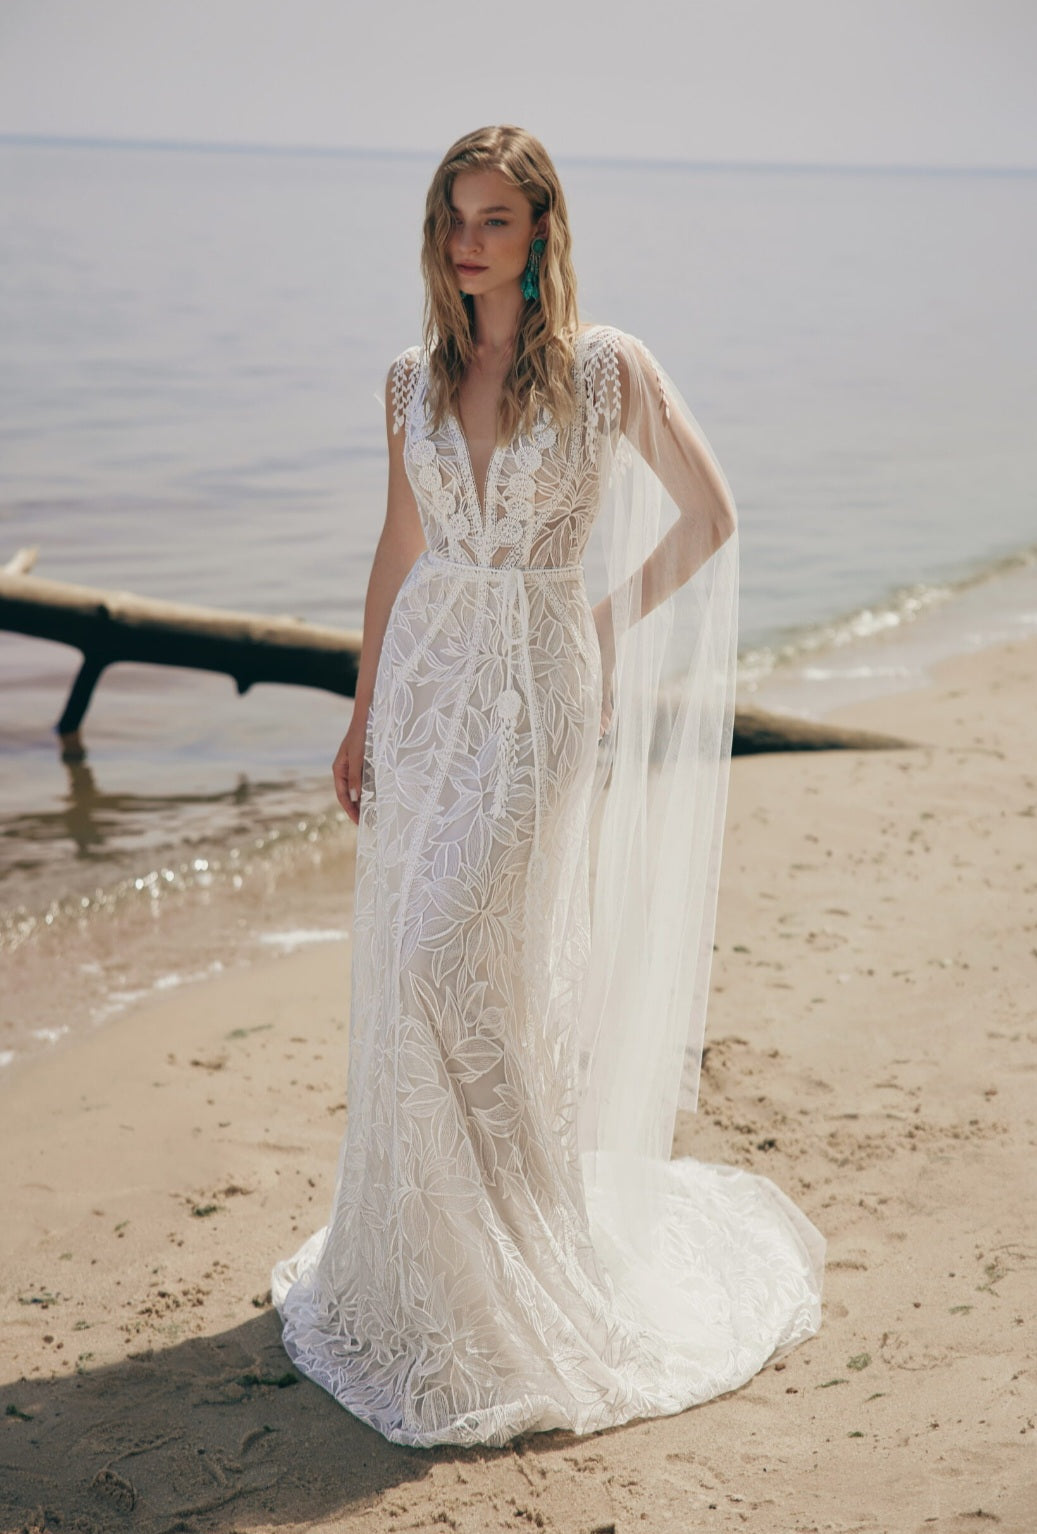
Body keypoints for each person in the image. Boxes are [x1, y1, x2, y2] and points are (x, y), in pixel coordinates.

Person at [271, 124, 825, 1448]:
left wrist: (605, 626)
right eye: (453, 217)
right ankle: (439, 1265)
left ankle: (530, 1257)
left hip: (531, 698)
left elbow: (709, 515)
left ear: (541, 235)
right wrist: (359, 714)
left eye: (494, 220)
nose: (469, 241)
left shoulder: (603, 370)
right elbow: (398, 544)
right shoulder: (407, 380)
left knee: (446, 959)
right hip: (422, 699)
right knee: (432, 978)